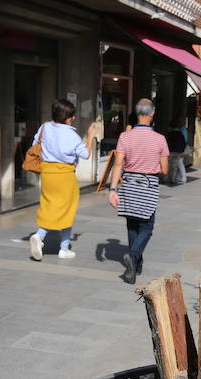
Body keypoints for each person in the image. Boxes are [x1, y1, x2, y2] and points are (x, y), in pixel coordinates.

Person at [108, 98, 169, 284]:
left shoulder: (125, 137)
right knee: (147, 226)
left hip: (128, 184)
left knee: (132, 224)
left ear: (136, 113)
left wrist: (112, 189)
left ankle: (135, 265)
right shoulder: (160, 139)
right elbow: (164, 170)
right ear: (152, 114)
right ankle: (133, 255)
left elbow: (118, 163)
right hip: (148, 185)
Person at [29, 99, 96, 261]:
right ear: (67, 117)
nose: (73, 118)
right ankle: (53, 242)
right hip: (65, 175)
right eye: (71, 115)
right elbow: (85, 154)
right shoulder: (71, 135)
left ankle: (49, 240)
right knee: (68, 209)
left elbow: (34, 144)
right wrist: (90, 137)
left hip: (47, 174)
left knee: (48, 205)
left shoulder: (44, 127)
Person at [165, 120, 187, 185]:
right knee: (178, 166)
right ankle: (178, 179)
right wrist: (183, 151)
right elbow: (183, 143)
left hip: (170, 152)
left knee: (169, 166)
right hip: (179, 152)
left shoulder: (169, 134)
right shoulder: (180, 134)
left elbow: (166, 143)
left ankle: (168, 178)